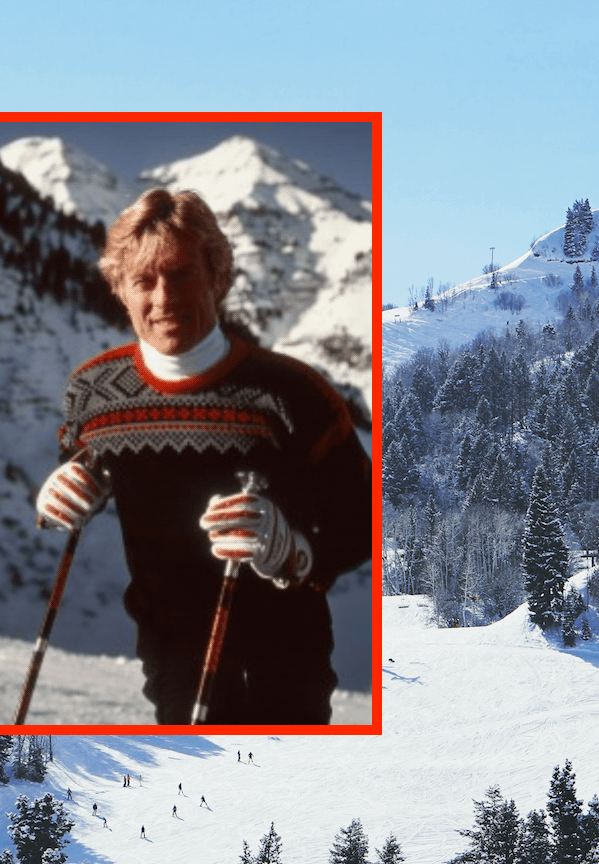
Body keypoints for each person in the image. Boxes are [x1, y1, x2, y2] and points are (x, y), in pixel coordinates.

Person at [34, 188, 371, 725]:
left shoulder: (291, 394)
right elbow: (85, 468)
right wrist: (65, 492)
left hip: (286, 655)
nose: (163, 297)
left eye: (181, 274)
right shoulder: (92, 394)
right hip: (168, 649)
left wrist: (293, 550)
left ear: (217, 277)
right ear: (120, 291)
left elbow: (364, 517)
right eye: (143, 281)